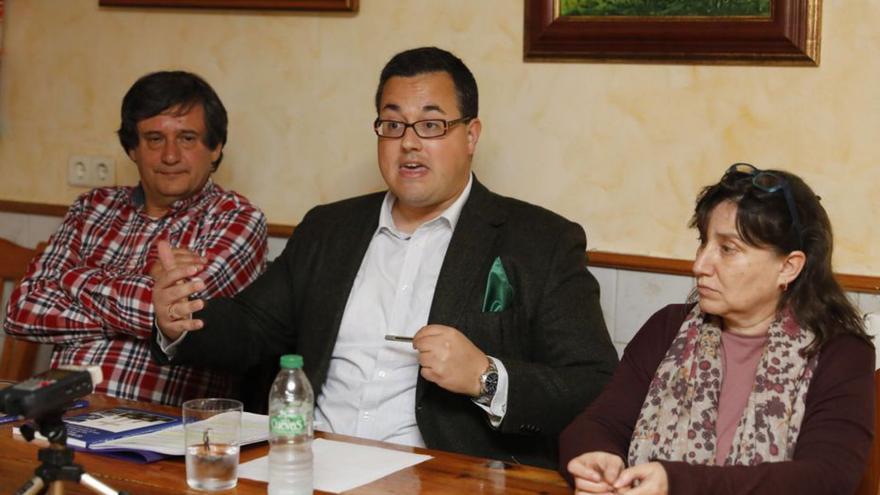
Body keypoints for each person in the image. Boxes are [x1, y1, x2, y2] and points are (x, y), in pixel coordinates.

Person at [150, 47, 617, 467]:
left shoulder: (540, 240)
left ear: (471, 135)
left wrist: (486, 377)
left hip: (444, 474)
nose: (408, 142)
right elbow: (252, 327)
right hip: (311, 461)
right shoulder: (329, 229)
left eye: (431, 125)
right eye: (392, 125)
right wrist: (181, 321)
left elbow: (593, 383)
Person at [560, 163, 874, 494]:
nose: (699, 265)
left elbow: (826, 478)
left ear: (788, 267)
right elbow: (597, 424)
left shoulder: (840, 351)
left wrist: (678, 484)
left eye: (727, 249)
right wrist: (597, 459)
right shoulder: (668, 328)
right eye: (703, 242)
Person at [4, 71, 268, 406]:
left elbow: (182, 315)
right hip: (59, 414)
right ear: (133, 148)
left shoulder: (237, 217)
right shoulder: (92, 207)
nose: (170, 156)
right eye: (154, 139)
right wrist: (150, 294)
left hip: (162, 429)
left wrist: (72, 279)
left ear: (215, 148)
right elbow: (22, 310)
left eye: (187, 138)